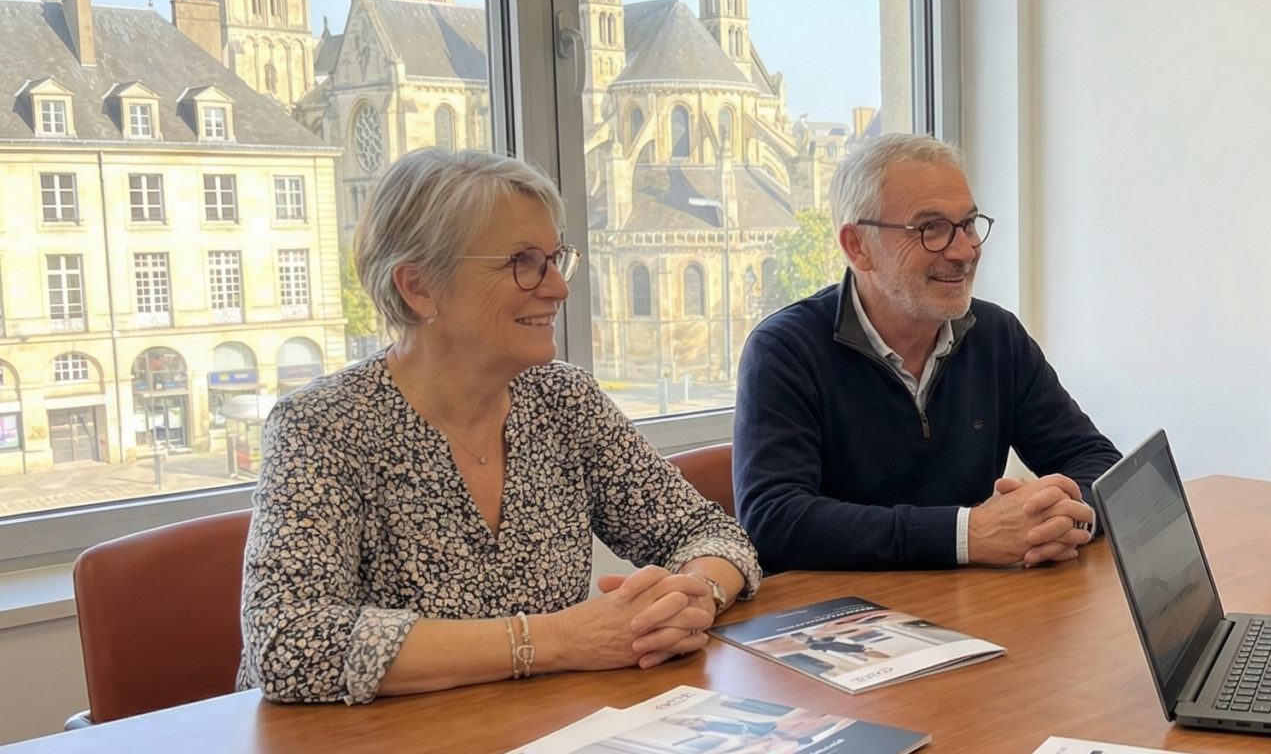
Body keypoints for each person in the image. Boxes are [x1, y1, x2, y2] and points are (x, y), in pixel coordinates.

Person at [240, 148, 760, 704]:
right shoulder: (323, 426)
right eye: (523, 261)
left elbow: (710, 533)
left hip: (531, 736)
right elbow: (287, 641)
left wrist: (693, 595)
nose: (558, 287)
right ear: (419, 287)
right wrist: (560, 638)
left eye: (556, 258)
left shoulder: (564, 400)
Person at [734, 133, 1121, 572]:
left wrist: (1063, 521)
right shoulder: (785, 350)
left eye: (969, 224)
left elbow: (1099, 464)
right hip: (846, 623)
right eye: (931, 228)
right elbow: (775, 519)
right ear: (857, 246)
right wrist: (966, 534)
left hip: (972, 604)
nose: (964, 251)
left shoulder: (996, 336)